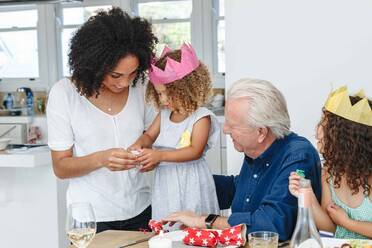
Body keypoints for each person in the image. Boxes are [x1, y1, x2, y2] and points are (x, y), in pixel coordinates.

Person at [163, 78, 322, 241]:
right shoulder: (255, 149)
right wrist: (190, 179)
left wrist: (206, 221)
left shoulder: (298, 156)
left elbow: (271, 225)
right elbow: (240, 189)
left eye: (232, 125)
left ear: (261, 132)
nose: (225, 130)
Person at [46, 8, 158, 233]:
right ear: (94, 65)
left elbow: (153, 136)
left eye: (133, 73)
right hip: (90, 218)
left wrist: (152, 157)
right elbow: (61, 167)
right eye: (116, 75)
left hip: (141, 209)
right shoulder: (64, 94)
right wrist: (101, 159)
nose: (125, 83)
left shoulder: (141, 87)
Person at [129, 44, 220, 222]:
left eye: (167, 94)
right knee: (168, 222)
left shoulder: (201, 117)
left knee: (193, 223)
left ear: (187, 89)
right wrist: (138, 145)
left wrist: (159, 156)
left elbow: (195, 151)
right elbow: (148, 136)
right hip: (166, 182)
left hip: (192, 182)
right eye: (159, 94)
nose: (162, 100)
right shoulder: (163, 115)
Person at [289, 86, 372, 239]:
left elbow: (342, 224)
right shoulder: (330, 172)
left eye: (325, 125)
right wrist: (308, 195)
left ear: (346, 138)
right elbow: (331, 228)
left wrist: (347, 222)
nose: (317, 130)